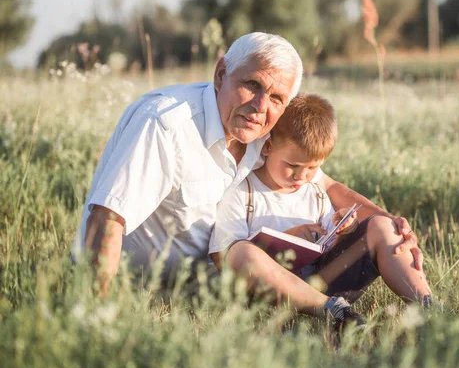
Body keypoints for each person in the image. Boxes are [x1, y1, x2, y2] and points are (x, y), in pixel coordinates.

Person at [72, 32, 422, 299]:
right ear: (221, 73)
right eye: (251, 85)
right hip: (144, 291)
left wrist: (393, 225)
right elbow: (108, 219)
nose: (260, 105)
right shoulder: (166, 124)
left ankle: (424, 309)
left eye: (276, 98)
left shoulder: (265, 131)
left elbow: (327, 185)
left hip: (223, 291)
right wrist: (95, 309)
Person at [209, 94, 432, 329]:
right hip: (267, 292)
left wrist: (346, 228)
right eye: (292, 166)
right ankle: (337, 313)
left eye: (313, 167)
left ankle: (428, 307)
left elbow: (331, 244)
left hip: (321, 281)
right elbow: (222, 258)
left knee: (383, 225)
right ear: (267, 146)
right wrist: (289, 239)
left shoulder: (314, 192)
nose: (301, 176)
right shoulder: (242, 192)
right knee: (240, 252)